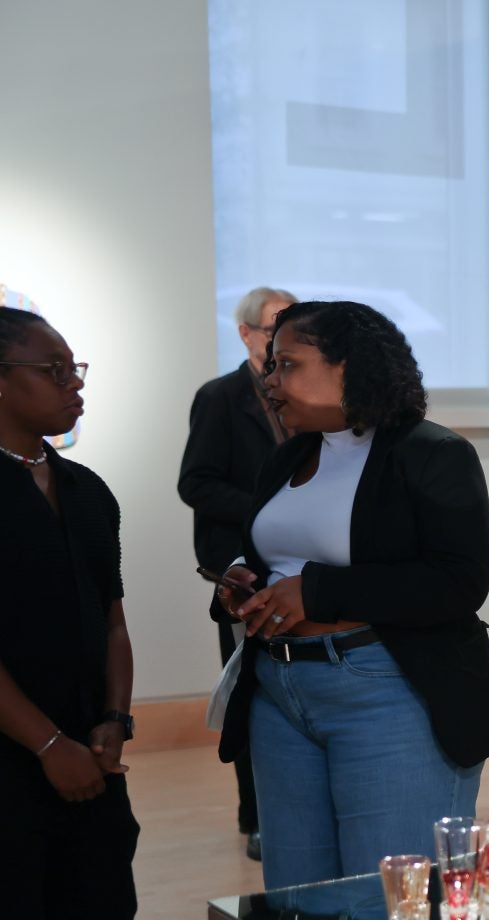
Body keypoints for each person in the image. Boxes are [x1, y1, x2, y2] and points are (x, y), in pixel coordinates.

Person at [213, 300, 489, 920]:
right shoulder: (291, 457)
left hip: (389, 697)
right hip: (283, 700)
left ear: (353, 366)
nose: (271, 380)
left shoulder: (432, 453)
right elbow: (275, 547)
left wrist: (321, 592)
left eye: (289, 362)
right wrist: (243, 576)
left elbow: (458, 580)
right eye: (270, 364)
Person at [0, 309, 139, 920]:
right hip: (18, 761)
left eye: (74, 365)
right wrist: (47, 742)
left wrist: (114, 719)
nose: (74, 382)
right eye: (53, 369)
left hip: (93, 760)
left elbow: (113, 618)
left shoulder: (88, 491)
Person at [179, 284, 296, 861]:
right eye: (274, 324)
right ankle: (256, 819)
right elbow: (194, 484)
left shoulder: (309, 394)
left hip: (300, 569)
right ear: (246, 333)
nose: (282, 335)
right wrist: (264, 510)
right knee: (252, 694)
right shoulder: (221, 397)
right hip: (242, 572)